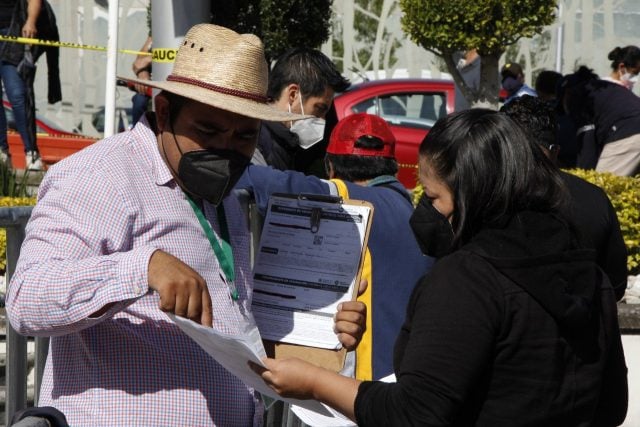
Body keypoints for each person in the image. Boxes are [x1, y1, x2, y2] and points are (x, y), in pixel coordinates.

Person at [6, 23, 366, 426]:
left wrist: (323, 337)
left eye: (245, 136)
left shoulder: (221, 194)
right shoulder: (100, 175)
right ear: (164, 112)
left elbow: (231, 331)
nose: (225, 149)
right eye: (208, 130)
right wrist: (142, 267)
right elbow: (27, 298)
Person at [251, 109, 628, 426]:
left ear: (473, 194)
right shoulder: (591, 275)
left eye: (433, 197)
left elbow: (415, 412)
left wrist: (314, 381)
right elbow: (613, 407)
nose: (427, 212)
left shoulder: (467, 279)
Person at [237, 112, 433, 381]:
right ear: (392, 167)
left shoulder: (353, 201)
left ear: (330, 167)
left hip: (372, 381)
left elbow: (271, 183)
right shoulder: (406, 207)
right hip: (408, 372)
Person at [501, 94, 628, 300]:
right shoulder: (593, 198)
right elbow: (615, 285)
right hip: (582, 323)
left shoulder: (482, 194)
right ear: (555, 151)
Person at [252, 47, 350, 176]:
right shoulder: (255, 144)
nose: (323, 120)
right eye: (319, 108)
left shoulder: (287, 144)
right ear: (293, 95)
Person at [559, 65, 640, 176]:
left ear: (566, 94)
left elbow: (587, 143)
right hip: (632, 130)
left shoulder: (577, 95)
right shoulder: (607, 89)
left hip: (627, 133)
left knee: (602, 188)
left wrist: (582, 178)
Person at [0, 0, 43, 169]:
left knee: (17, 94)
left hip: (13, 34)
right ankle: (2, 152)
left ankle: (31, 151)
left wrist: (31, 21)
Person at [130, 35, 152, 126]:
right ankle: (137, 135)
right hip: (151, 89)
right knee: (139, 100)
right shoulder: (155, 34)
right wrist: (142, 72)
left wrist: (149, 59)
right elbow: (137, 64)